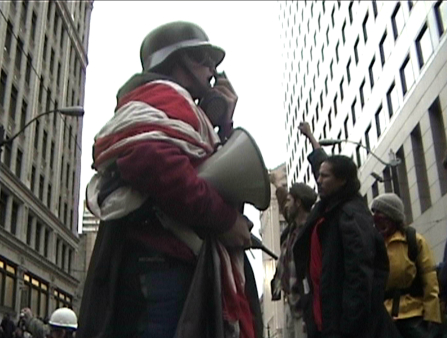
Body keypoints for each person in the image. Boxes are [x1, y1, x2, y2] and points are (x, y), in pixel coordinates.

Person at [77, 21, 261, 338]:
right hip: (161, 265)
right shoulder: (161, 98)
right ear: (174, 62)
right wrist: (225, 220)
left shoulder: (184, 112)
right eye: (202, 59)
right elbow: (149, 160)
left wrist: (223, 124)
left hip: (172, 264)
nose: (212, 70)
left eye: (214, 63)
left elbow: (217, 176)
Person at [293, 122, 401, 338]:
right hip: (325, 321)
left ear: (342, 181)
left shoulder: (350, 214)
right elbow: (321, 164)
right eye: (319, 175)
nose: (318, 180)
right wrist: (311, 137)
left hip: (347, 328)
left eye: (325, 177)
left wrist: (349, 325)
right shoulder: (328, 207)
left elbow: (359, 274)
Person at [370, 193, 441, 337]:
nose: (378, 221)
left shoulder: (414, 241)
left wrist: (432, 318)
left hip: (414, 316)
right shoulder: (373, 245)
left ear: (393, 218)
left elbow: (430, 281)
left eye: (382, 216)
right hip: (384, 319)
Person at [270, 173, 317, 337]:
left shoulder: (311, 231)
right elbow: (283, 204)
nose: (286, 205)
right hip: (291, 304)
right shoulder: (293, 229)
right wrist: (277, 184)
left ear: (298, 203)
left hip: (303, 306)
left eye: (290, 201)